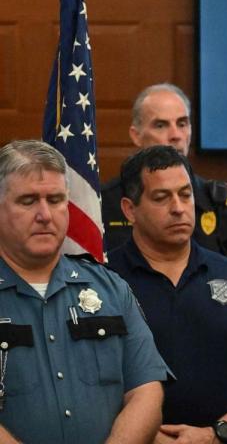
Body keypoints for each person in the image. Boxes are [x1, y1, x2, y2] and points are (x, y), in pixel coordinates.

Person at [108, 145, 227, 443]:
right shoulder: (101, 282)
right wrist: (144, 434)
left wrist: (216, 434)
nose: (178, 207)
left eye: (185, 194)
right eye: (161, 197)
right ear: (130, 210)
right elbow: (81, 387)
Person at [0, 140, 168, 443]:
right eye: (28, 201)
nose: (45, 214)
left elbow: (146, 392)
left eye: (55, 199)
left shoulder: (112, 290)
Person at [101, 83, 227, 266]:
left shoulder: (214, 200)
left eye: (182, 123)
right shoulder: (104, 202)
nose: (175, 135)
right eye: (161, 125)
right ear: (136, 135)